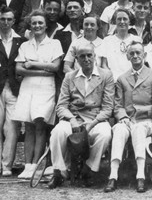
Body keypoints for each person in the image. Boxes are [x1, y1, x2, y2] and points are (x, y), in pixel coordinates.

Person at [48, 42, 115, 189]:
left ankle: (89, 169)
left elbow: (108, 107)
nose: (86, 59)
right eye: (82, 56)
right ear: (76, 59)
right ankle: (59, 171)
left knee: (105, 134)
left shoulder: (106, 76)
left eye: (89, 55)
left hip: (96, 118)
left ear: (95, 56)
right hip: (74, 118)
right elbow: (61, 105)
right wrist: (72, 120)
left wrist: (93, 123)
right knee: (57, 132)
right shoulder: (69, 77)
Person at [107, 41, 152, 193]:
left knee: (138, 129)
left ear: (144, 55)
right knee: (119, 129)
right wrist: (122, 117)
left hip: (147, 121)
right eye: (131, 53)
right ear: (127, 56)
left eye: (138, 53)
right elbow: (118, 105)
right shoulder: (122, 79)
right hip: (128, 120)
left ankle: (140, 176)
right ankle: (113, 175)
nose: (135, 56)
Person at [13, 10, 63, 180]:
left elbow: (56, 67)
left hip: (45, 90)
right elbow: (18, 69)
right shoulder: (25, 46)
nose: (37, 26)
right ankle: (27, 166)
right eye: (34, 23)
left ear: (46, 25)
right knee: (28, 127)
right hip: (27, 88)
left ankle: (36, 165)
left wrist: (32, 65)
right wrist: (43, 69)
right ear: (30, 25)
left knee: (40, 124)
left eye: (40, 23)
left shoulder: (54, 44)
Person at [0, 6, 24, 177]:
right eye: (3, 19)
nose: (6, 22)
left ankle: (7, 165)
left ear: (14, 21)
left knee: (12, 128)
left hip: (15, 89)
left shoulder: (21, 41)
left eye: (9, 19)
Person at [99, 8, 142, 80]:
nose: (122, 21)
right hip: (113, 80)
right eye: (119, 19)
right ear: (115, 21)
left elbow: (141, 63)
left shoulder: (137, 40)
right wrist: (112, 78)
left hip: (132, 80)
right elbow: (104, 65)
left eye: (125, 19)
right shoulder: (107, 41)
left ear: (129, 21)